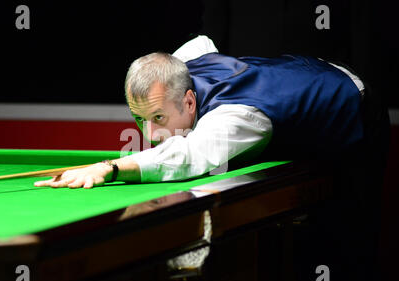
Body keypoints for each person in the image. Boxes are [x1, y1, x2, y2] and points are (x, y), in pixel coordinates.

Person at [34, 35, 368, 189]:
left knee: (344, 241)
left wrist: (112, 167)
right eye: (139, 118)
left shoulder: (235, 116)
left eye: (159, 118)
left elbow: (189, 155)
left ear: (190, 102)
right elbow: (201, 42)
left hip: (350, 108)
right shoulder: (184, 67)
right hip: (305, 74)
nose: (149, 134)